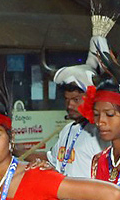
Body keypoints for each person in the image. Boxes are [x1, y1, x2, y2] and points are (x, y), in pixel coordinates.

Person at [36, 50, 104, 178]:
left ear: (91, 98)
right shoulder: (67, 130)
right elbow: (51, 160)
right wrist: (14, 150)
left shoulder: (101, 131)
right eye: (66, 99)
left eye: (76, 100)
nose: (69, 105)